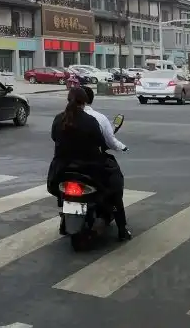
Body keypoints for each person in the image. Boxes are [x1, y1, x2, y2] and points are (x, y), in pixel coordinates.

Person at [47, 87, 131, 241]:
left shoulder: (58, 119)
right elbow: (101, 142)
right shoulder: (90, 121)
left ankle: (65, 217)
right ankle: (122, 229)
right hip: (89, 167)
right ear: (85, 102)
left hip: (61, 168)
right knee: (115, 183)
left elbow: (54, 137)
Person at [82, 85, 131, 239]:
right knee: (115, 187)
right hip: (92, 164)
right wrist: (122, 147)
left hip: (64, 164)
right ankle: (122, 229)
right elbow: (110, 141)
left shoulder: (61, 117)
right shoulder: (97, 118)